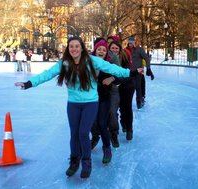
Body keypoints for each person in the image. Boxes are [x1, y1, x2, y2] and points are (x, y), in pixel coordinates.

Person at [15, 36, 142, 179]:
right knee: (74, 134)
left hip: (90, 103)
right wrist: (28, 84)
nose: (74, 49)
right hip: (73, 104)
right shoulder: (65, 63)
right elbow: (48, 74)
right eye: (71, 46)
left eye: (77, 46)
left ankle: (86, 162)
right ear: (68, 49)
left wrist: (132, 72)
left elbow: (113, 68)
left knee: (83, 132)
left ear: (82, 48)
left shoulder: (92, 61)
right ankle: (74, 161)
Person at [91, 39, 114, 163]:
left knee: (102, 124)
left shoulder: (108, 64)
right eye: (99, 49)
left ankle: (107, 148)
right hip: (90, 98)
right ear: (95, 50)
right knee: (90, 123)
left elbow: (121, 75)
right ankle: (94, 138)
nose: (101, 51)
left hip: (104, 97)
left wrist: (112, 78)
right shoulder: (88, 62)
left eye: (104, 50)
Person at [109, 40, 136, 142]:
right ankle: (121, 125)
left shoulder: (124, 57)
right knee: (116, 107)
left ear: (120, 49)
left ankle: (129, 129)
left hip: (127, 85)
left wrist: (117, 80)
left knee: (126, 107)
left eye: (116, 48)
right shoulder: (107, 58)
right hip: (115, 86)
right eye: (112, 48)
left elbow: (127, 72)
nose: (114, 50)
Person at [125, 36, 155, 109]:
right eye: (129, 43)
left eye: (131, 43)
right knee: (128, 88)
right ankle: (126, 103)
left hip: (138, 72)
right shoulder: (125, 50)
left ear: (134, 43)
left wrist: (148, 68)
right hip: (129, 72)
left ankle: (139, 102)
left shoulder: (139, 49)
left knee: (138, 87)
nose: (130, 44)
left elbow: (146, 58)